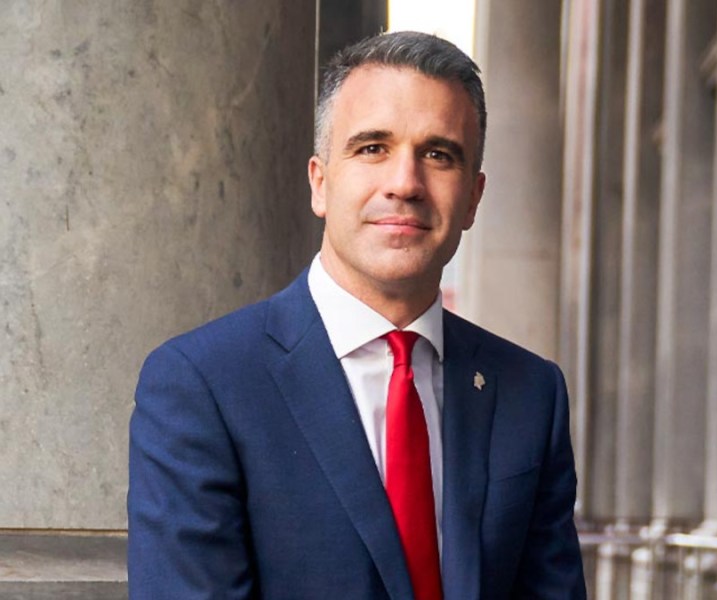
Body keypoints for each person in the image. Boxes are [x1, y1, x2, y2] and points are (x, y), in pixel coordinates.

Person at [128, 31, 586, 599]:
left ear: (473, 198)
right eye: (372, 148)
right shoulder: (202, 385)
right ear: (320, 183)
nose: (405, 183)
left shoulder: (531, 393)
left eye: (438, 155)